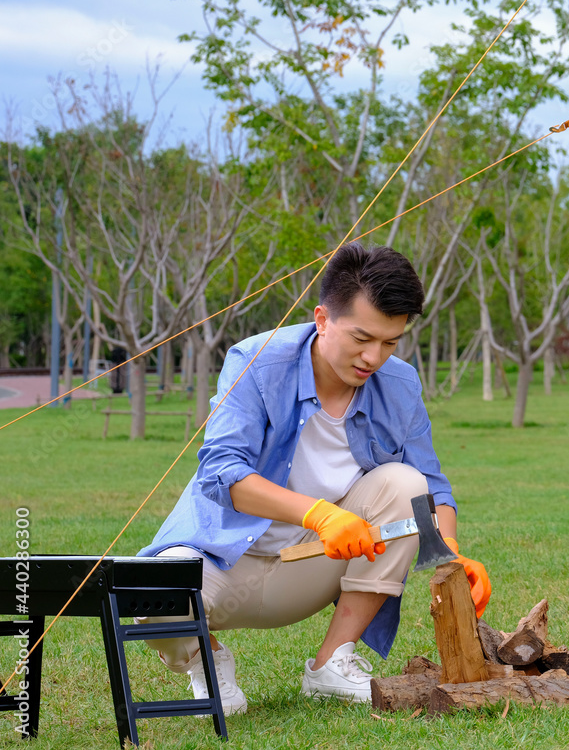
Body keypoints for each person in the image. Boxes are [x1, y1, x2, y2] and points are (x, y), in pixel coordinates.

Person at [138, 243, 491, 714]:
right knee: (151, 590)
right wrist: (319, 513)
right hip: (225, 562)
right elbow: (222, 473)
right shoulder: (256, 362)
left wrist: (450, 557)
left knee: (408, 486)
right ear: (322, 319)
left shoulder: (400, 384)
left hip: (313, 566)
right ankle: (208, 661)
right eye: (362, 338)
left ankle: (332, 662)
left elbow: (432, 483)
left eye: (390, 342)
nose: (373, 357)